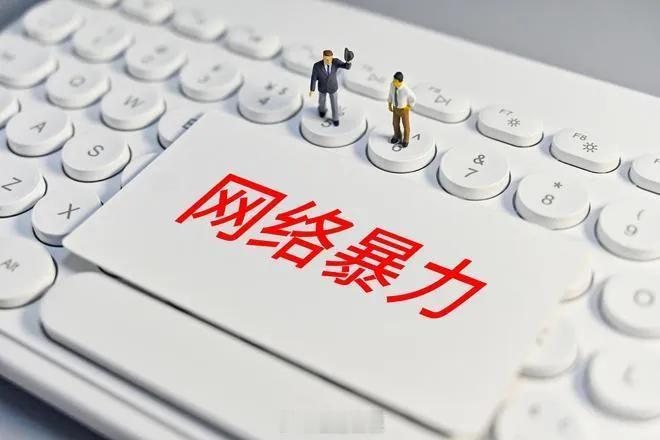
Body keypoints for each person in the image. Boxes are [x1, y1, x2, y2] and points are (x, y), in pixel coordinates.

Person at [309, 49, 352, 126]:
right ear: (323, 57)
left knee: (334, 103)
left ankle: (335, 118)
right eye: (326, 59)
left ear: (332, 57)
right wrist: (312, 89)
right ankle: (322, 111)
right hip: (322, 87)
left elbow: (345, 66)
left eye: (330, 59)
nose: (328, 61)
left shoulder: (335, 62)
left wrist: (348, 61)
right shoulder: (317, 66)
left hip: (333, 87)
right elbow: (314, 78)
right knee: (321, 101)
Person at [388, 72, 416, 147]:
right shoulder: (392, 85)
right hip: (395, 108)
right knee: (395, 123)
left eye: (395, 81)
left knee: (406, 125)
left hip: (404, 110)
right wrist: (389, 104)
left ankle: (406, 139)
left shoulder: (405, 90)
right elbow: (390, 94)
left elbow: (413, 98)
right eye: (393, 79)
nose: (393, 81)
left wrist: (409, 106)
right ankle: (397, 135)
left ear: (400, 81)